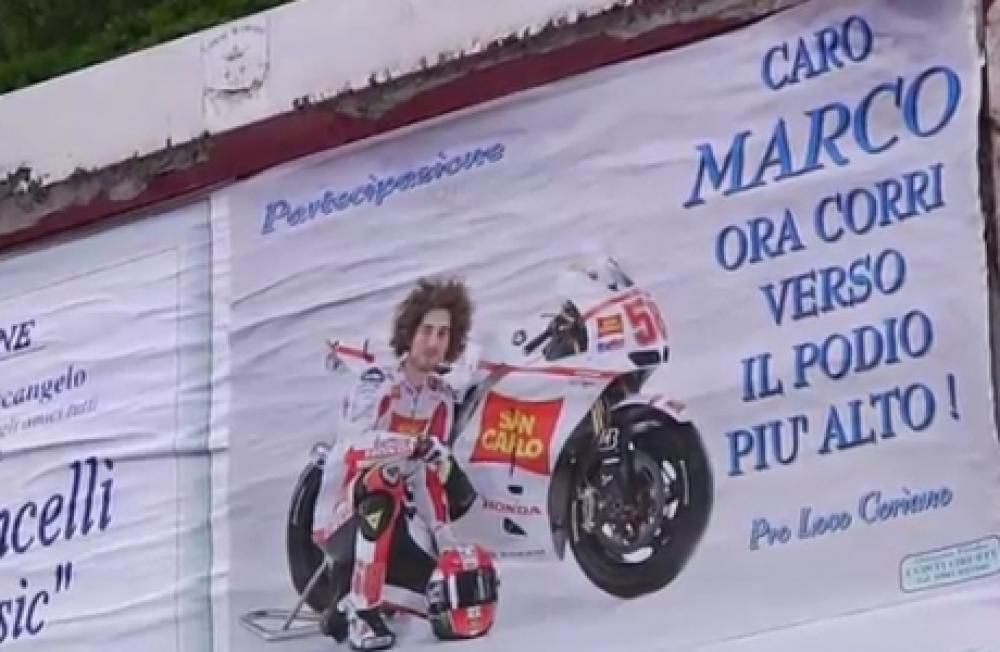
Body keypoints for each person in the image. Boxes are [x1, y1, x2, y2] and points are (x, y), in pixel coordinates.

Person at [312, 277, 489, 651]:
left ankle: (353, 603)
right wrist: (411, 445)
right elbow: (353, 446)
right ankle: (362, 612)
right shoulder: (376, 381)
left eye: (443, 334)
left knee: (438, 598)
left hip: (396, 521)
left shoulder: (440, 399)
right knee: (386, 479)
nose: (433, 342)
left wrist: (445, 540)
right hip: (341, 514)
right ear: (409, 333)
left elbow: (428, 477)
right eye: (427, 330)